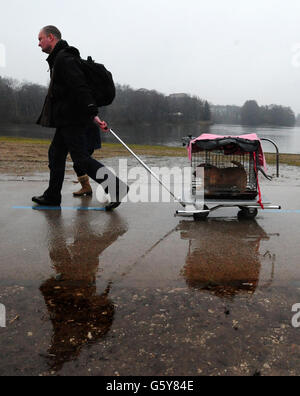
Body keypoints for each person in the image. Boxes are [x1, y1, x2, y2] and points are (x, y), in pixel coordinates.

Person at [32, 25, 128, 209]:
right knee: (56, 154)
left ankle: (116, 187)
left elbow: (79, 86)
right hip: (68, 117)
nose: (38, 43)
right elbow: (72, 92)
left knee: (81, 158)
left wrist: (92, 111)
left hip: (72, 118)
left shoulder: (64, 59)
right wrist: (93, 116)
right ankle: (52, 195)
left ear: (51, 37)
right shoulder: (61, 58)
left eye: (40, 39)